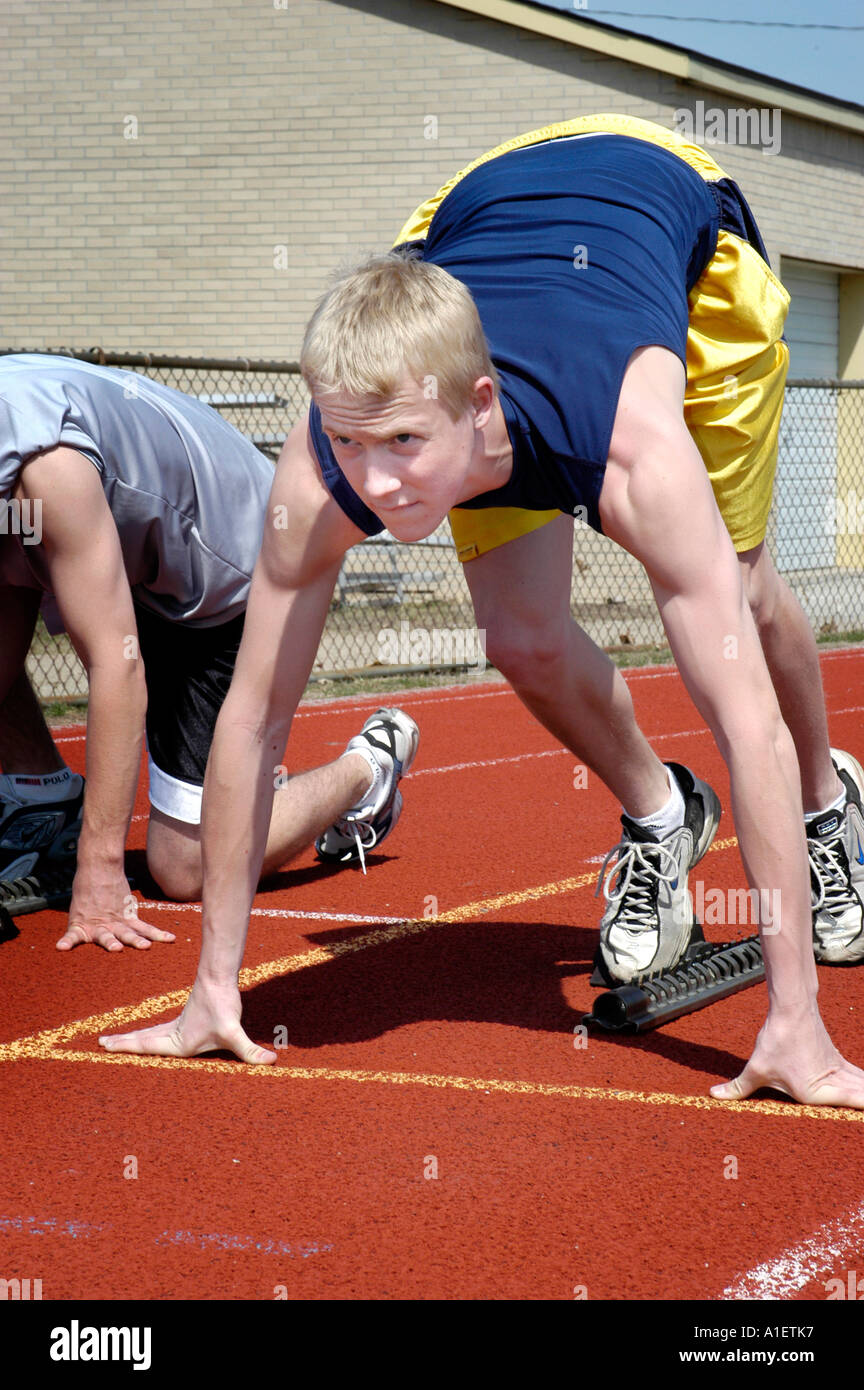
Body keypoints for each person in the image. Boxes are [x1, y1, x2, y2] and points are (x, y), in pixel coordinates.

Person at [100, 114, 864, 1107]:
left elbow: (742, 715)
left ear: (481, 402)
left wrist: (795, 1025)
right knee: (521, 638)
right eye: (352, 443)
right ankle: (665, 814)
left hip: (678, 211)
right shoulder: (329, 462)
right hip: (479, 200)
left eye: (406, 442)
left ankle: (826, 807)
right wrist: (215, 989)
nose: (376, 485)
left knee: (745, 602)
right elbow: (251, 718)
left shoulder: (637, 447)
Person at [0, 353, 417, 953]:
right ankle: (42, 795)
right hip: (128, 538)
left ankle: (367, 769)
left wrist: (99, 874)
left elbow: (116, 666)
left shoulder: (49, 472)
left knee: (183, 867)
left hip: (229, 562)